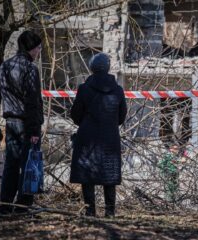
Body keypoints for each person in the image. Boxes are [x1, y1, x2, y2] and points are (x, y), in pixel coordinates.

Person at [0, 30, 44, 214]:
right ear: (31, 48)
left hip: (11, 121)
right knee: (29, 165)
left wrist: (7, 96)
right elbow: (33, 102)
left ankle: (4, 205)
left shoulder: (5, 65)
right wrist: (35, 130)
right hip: (27, 122)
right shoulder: (30, 68)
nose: (39, 51)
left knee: (11, 164)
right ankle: (22, 206)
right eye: (38, 48)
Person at [70, 53, 127, 217]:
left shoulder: (84, 89)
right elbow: (121, 116)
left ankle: (90, 211)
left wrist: (87, 123)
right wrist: (108, 124)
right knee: (110, 173)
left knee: (87, 174)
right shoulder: (118, 90)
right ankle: (110, 212)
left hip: (87, 137)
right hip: (110, 137)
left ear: (91, 68)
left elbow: (75, 115)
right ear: (108, 68)